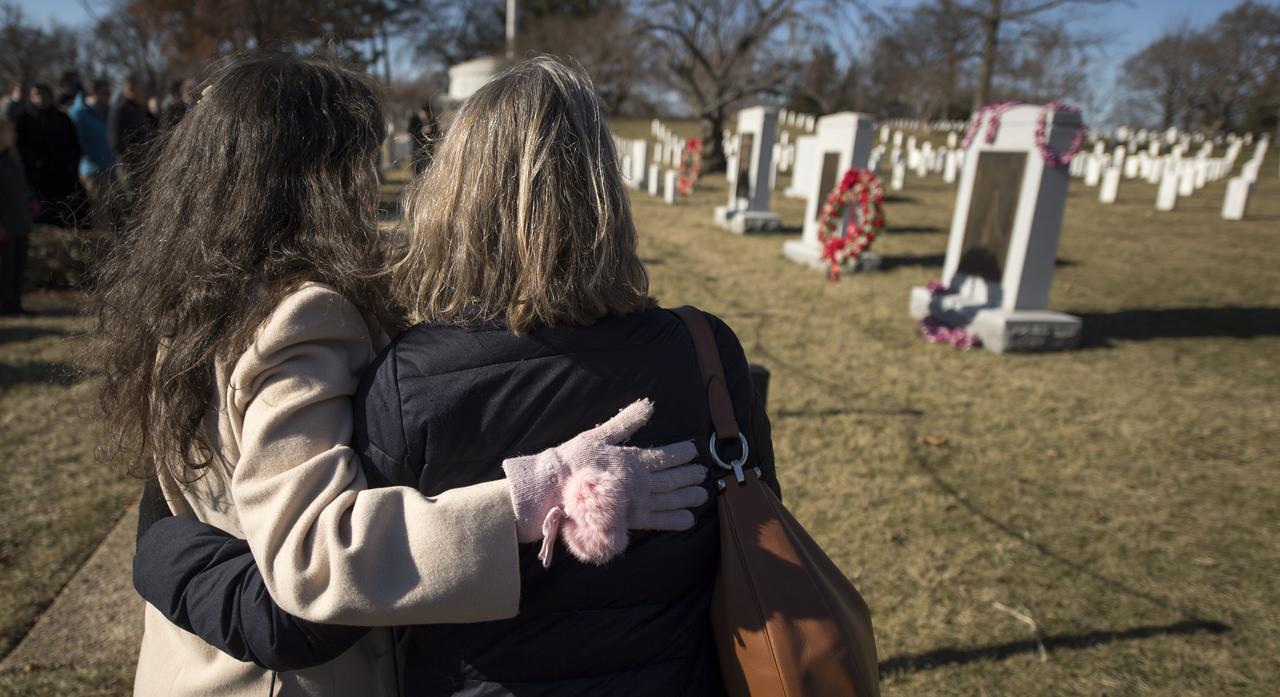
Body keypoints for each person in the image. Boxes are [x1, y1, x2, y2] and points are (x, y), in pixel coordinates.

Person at [133, 56, 778, 695]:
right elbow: (311, 568)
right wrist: (532, 497)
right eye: (358, 167)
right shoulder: (703, 348)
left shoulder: (196, 305)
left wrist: (162, 554)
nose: (370, 185)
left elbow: (188, 495)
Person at [15, 84, 83, 227]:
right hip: (38, 179)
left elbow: (74, 144)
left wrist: (71, 165)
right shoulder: (24, 120)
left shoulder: (62, 118)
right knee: (46, 215)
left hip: (64, 177)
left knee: (68, 214)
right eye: (36, 95)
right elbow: (21, 149)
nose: (41, 99)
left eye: (44, 95)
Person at [0, 112, 33, 315]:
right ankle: (5, 305)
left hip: (19, 219)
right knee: (6, 267)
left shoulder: (12, 157)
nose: (14, 135)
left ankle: (15, 304)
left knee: (17, 265)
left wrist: (30, 199)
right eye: (10, 131)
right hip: (5, 222)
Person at [68, 79, 116, 218]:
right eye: (105, 93)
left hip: (110, 166)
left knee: (114, 209)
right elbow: (77, 142)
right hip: (92, 171)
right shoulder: (78, 114)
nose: (109, 97)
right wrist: (92, 157)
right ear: (93, 93)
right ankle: (103, 238)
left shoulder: (106, 111)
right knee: (99, 211)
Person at [107, 73, 155, 164]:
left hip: (147, 163)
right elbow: (116, 143)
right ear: (130, 90)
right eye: (142, 89)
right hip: (131, 167)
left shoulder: (141, 109)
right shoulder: (119, 110)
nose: (146, 92)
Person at [407, 100, 438, 174]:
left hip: (429, 148)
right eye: (425, 113)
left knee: (428, 169)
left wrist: (431, 133)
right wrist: (421, 131)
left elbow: (437, 134)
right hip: (417, 148)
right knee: (417, 168)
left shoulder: (432, 120)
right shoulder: (414, 119)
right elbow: (410, 131)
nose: (426, 115)